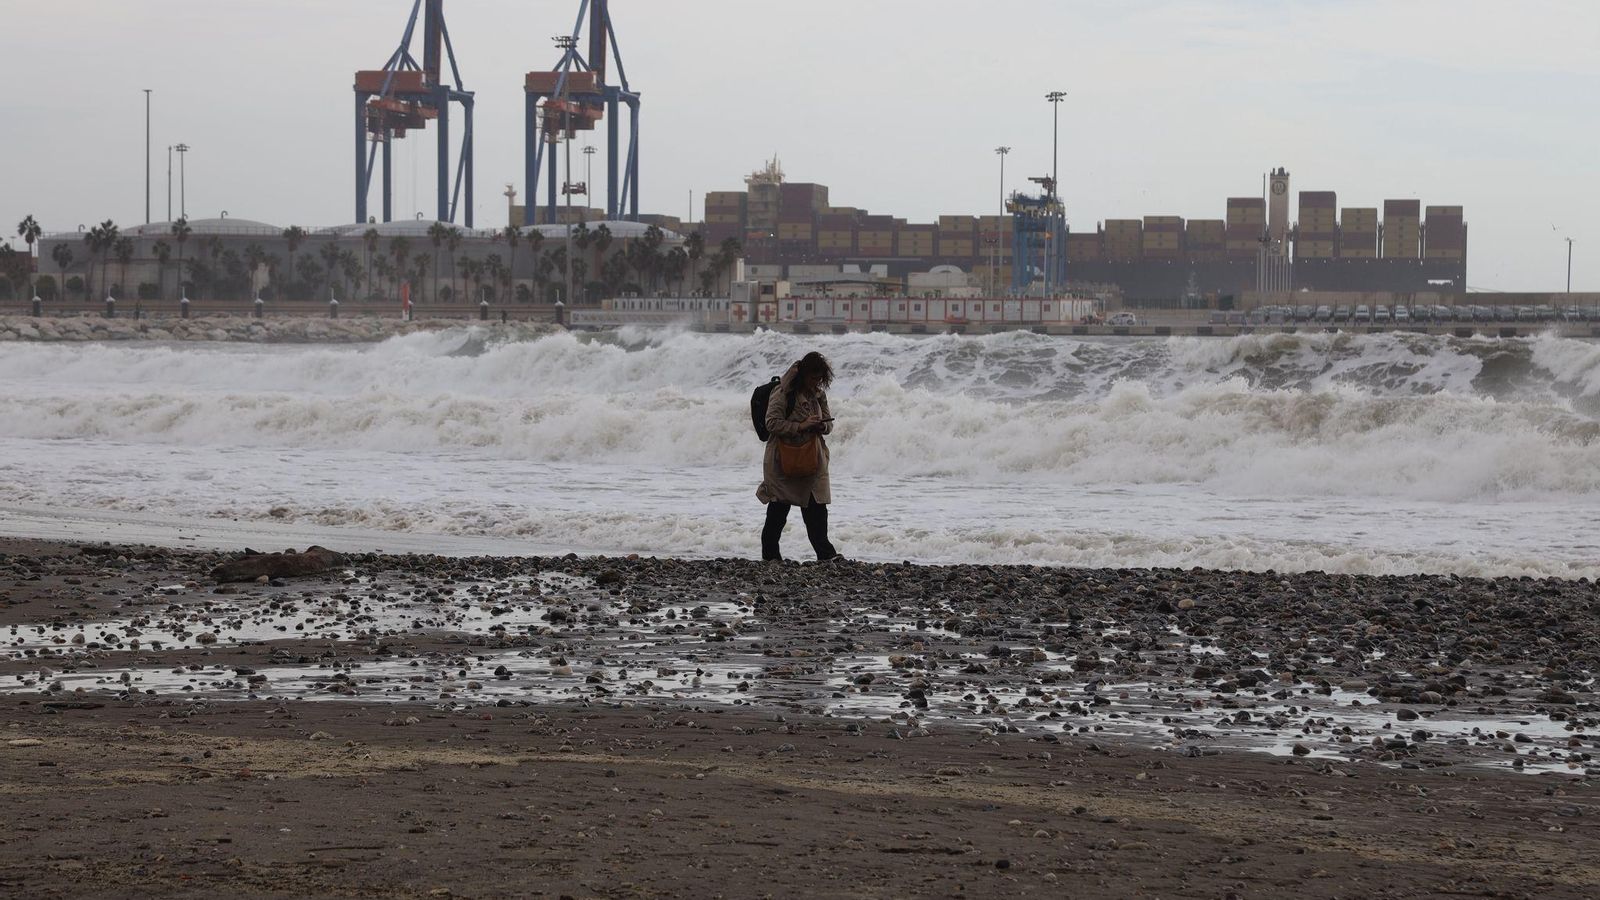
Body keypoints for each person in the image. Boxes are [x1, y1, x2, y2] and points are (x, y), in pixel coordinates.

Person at [757, 351, 841, 562]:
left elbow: (829, 425)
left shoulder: (819, 395)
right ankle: (770, 556)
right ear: (803, 375)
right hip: (784, 460)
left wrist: (822, 425)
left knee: (817, 509)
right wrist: (801, 426)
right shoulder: (783, 393)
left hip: (812, 458)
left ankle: (826, 555)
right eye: (812, 378)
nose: (816, 383)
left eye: (819, 379)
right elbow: (772, 423)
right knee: (778, 510)